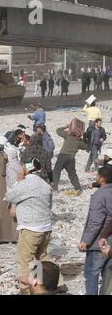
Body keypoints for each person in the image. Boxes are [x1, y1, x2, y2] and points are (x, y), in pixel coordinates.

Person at [5, 159, 53, 285]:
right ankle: (54, 283)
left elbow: (9, 196)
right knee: (42, 257)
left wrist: (19, 181)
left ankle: (26, 288)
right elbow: (50, 205)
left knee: (25, 260)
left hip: (31, 228)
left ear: (25, 169)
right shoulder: (44, 184)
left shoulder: (25, 184)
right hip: (46, 226)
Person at [78, 166, 112, 295]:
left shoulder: (100, 195)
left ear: (102, 178)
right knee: (107, 275)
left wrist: (86, 241)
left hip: (100, 243)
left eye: (97, 175)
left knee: (91, 273)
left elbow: (96, 221)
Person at [52, 124, 88, 193]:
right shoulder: (79, 141)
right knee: (72, 174)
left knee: (56, 171)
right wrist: (85, 139)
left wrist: (66, 126)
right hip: (71, 158)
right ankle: (78, 188)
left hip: (62, 156)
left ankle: (55, 188)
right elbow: (86, 147)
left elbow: (58, 130)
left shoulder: (68, 135)